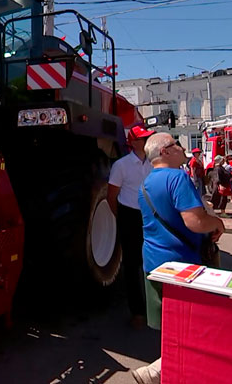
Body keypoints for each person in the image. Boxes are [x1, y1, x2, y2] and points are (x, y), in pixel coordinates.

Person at [131, 133, 225, 384]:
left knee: (171, 325)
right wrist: (216, 223)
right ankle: (161, 371)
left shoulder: (146, 184)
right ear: (165, 152)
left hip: (153, 262)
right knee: (197, 324)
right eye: (176, 143)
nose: (182, 147)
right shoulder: (178, 177)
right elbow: (194, 222)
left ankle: (164, 369)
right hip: (183, 265)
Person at [107, 125, 155, 329]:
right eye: (142, 139)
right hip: (130, 215)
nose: (146, 142)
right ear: (133, 142)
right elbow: (111, 196)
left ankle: (156, 309)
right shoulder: (121, 165)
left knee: (154, 262)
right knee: (132, 264)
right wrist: (121, 218)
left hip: (151, 215)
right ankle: (138, 312)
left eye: (147, 138)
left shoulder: (154, 163)